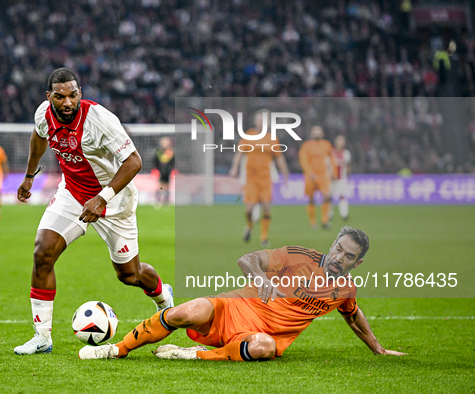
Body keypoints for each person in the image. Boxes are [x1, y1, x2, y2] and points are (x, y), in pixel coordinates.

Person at [14, 68, 174, 355]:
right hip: (73, 193)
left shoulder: (99, 120)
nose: (67, 103)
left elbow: (134, 161)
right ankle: (42, 336)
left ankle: (164, 298)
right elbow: (38, 137)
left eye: (73, 95)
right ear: (49, 96)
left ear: (80, 94)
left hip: (114, 201)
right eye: (60, 96)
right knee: (43, 252)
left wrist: (103, 198)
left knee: (130, 274)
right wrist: (29, 175)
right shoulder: (43, 114)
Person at [79, 226, 407, 361]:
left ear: (357, 262)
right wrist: (259, 277)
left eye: (348, 256)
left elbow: (354, 317)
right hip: (232, 308)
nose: (338, 258)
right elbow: (247, 259)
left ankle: (192, 355)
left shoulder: (344, 289)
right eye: (338, 248)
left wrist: (378, 349)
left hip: (261, 335)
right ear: (333, 244)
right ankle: (116, 349)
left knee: (263, 348)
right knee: (183, 312)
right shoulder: (298, 256)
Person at [229, 109, 289, 246]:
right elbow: (239, 152)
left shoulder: (272, 138)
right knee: (248, 210)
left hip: (265, 179)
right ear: (255, 122)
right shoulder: (249, 135)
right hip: (251, 178)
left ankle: (263, 237)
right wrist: (234, 167)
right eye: (260, 120)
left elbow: (279, 158)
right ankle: (250, 226)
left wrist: (285, 173)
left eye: (264, 120)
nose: (262, 123)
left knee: (266, 208)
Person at [298, 126, 334, 230]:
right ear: (312, 134)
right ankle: (313, 222)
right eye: (315, 132)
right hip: (311, 176)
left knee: (326, 197)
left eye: (319, 131)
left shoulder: (326, 145)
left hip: (323, 175)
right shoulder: (306, 146)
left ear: (322, 133)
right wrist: (310, 172)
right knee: (311, 199)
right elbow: (303, 160)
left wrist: (333, 172)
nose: (317, 134)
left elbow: (331, 158)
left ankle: (324, 221)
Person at [331, 135, 351, 221]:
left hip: (342, 178)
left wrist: (348, 175)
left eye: (342, 141)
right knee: (329, 196)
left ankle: (344, 214)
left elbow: (348, 165)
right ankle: (329, 214)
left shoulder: (346, 153)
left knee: (342, 195)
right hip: (331, 179)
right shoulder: (331, 152)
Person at [153, 137, 175, 207]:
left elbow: (173, 162)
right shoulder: (158, 152)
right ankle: (159, 200)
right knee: (160, 186)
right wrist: (156, 170)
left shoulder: (171, 152)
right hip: (160, 172)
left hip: (168, 172)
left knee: (167, 186)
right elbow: (155, 161)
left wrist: (171, 170)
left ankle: (166, 201)